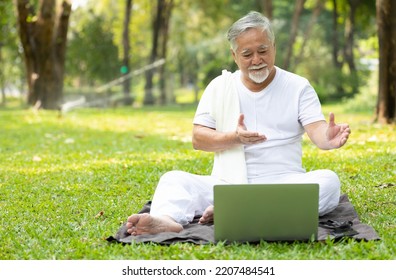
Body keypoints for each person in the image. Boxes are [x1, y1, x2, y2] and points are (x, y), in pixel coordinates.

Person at [126, 11, 351, 236]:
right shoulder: (219, 87)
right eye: (247, 54)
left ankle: (236, 211)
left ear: (273, 47)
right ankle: (166, 220)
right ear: (234, 56)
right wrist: (234, 138)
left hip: (283, 184)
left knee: (328, 181)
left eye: (263, 51)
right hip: (227, 185)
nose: (257, 60)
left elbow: (318, 131)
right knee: (173, 179)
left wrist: (328, 138)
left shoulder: (298, 86)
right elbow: (198, 139)